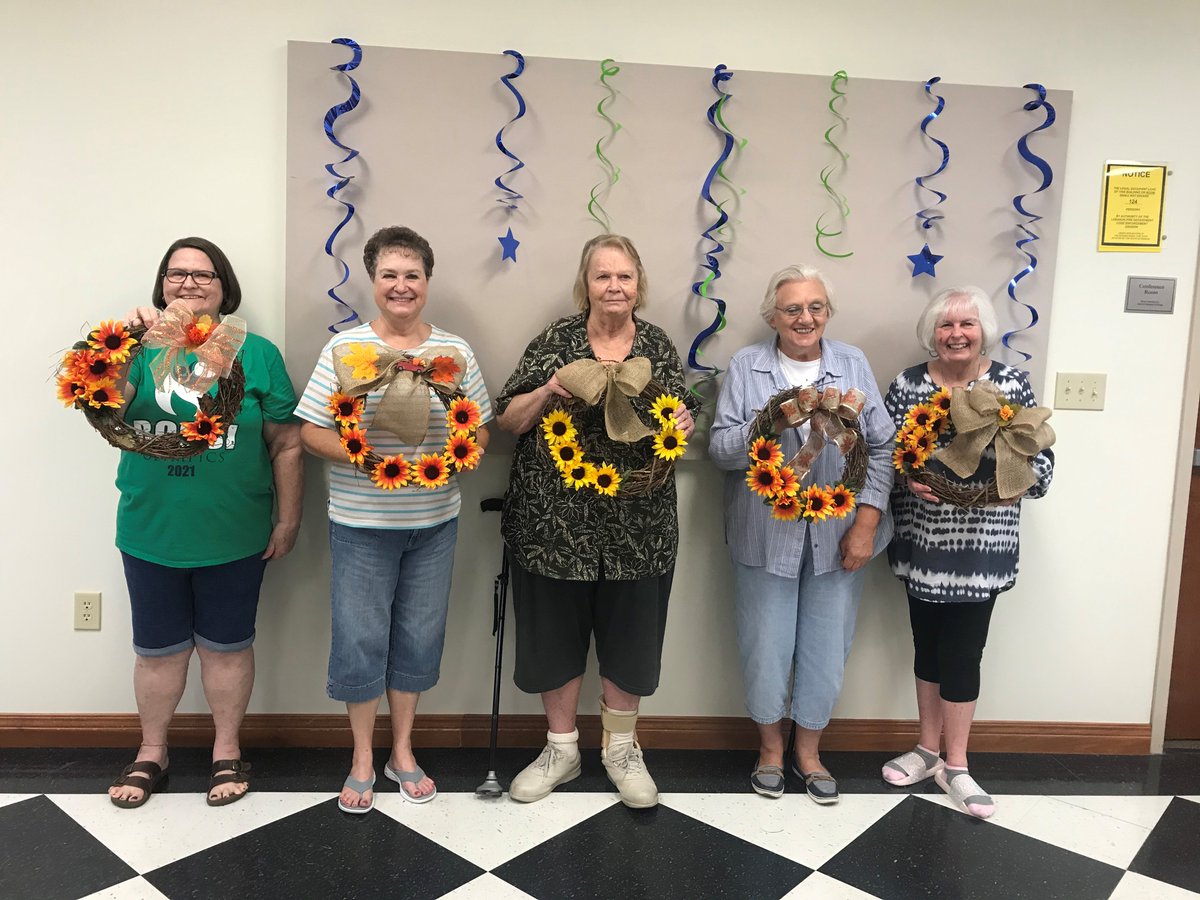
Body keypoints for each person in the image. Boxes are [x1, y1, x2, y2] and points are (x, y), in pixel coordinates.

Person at [296, 226, 492, 813]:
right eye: (389, 275)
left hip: (435, 521)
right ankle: (361, 755)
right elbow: (309, 430)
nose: (401, 286)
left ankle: (401, 751)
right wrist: (367, 458)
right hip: (360, 523)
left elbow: (481, 428)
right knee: (360, 639)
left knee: (418, 636)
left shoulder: (453, 354)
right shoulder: (346, 351)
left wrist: (456, 450)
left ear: (427, 283)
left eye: (412, 275)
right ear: (372, 281)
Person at [496, 233, 695, 809]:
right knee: (553, 638)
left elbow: (677, 419)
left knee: (631, 639)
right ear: (585, 284)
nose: (614, 286)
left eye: (625, 276)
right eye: (603, 276)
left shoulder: (656, 343)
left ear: (639, 285)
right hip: (554, 523)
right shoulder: (555, 341)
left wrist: (679, 419)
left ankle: (621, 751)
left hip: (640, 524)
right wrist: (552, 388)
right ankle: (562, 748)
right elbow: (509, 419)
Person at [108, 237, 303, 809]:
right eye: (177, 274)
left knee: (227, 647)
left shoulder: (258, 354)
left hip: (235, 531)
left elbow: (287, 442)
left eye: (204, 275)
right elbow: (108, 404)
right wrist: (121, 345)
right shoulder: (135, 350)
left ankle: (226, 749)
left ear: (225, 288)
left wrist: (288, 519)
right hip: (151, 529)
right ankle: (152, 751)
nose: (189, 284)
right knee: (157, 652)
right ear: (161, 284)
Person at [709, 265, 894, 804]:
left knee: (826, 645)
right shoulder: (747, 366)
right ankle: (770, 748)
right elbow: (720, 451)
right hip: (763, 534)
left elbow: (880, 447)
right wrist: (770, 422)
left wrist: (866, 522)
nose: (804, 318)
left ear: (828, 313)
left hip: (839, 535)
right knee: (764, 644)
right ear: (773, 315)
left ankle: (808, 751)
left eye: (815, 307)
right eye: (792, 309)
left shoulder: (852, 363)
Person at [880, 285, 1054, 819]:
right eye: (946, 325)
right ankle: (926, 749)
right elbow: (885, 459)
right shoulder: (907, 385)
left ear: (984, 331)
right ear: (932, 332)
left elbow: (1041, 460)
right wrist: (909, 482)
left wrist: (1008, 485)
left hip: (983, 547)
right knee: (926, 646)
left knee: (963, 651)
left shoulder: (1010, 384)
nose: (957, 334)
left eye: (967, 324)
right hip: (922, 544)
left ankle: (957, 763)